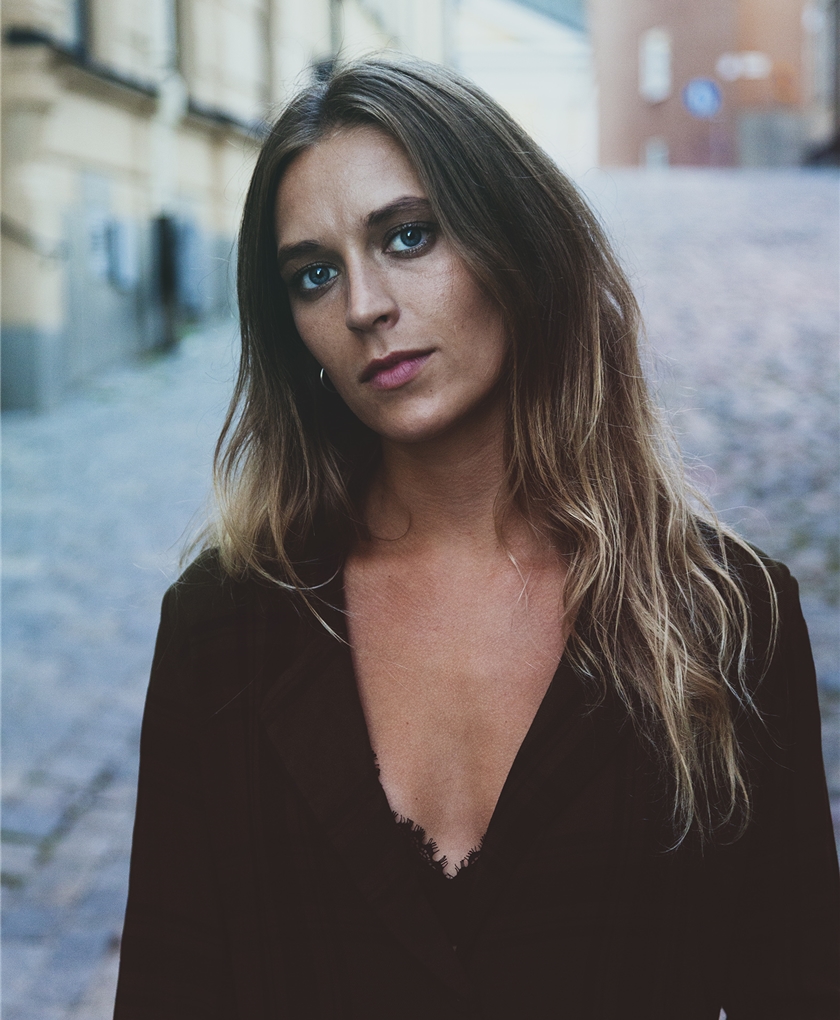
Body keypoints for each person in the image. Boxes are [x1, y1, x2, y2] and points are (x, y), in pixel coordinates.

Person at [113, 57, 839, 1019]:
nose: (364, 305)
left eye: (408, 236)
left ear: (518, 243)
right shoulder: (224, 625)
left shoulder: (726, 616)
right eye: (314, 274)